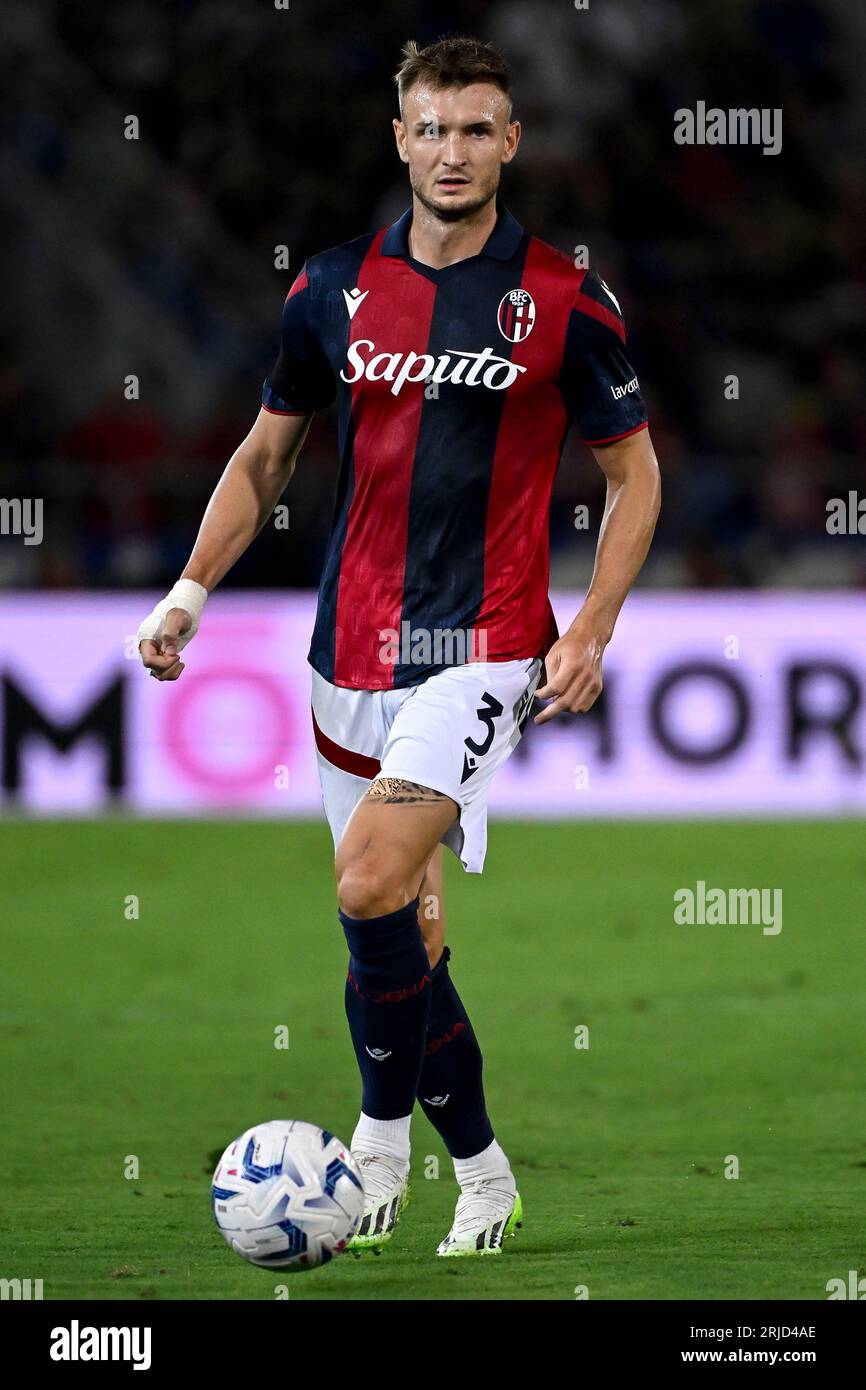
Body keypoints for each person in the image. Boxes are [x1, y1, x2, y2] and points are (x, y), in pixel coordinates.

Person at [137, 35, 661, 1257]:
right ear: (399, 140)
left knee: (367, 879)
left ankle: (381, 1148)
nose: (452, 152)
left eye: (477, 129)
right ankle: (473, 1171)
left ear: (511, 142)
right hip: (344, 649)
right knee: (398, 937)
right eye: (432, 128)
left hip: (480, 647)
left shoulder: (563, 300)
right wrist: (186, 594)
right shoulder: (330, 288)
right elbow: (265, 455)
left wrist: (587, 628)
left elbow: (633, 480)